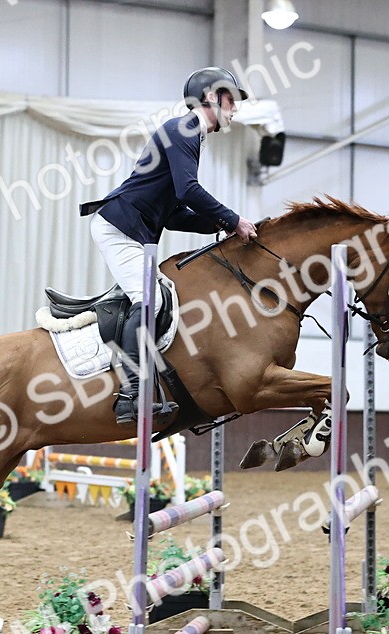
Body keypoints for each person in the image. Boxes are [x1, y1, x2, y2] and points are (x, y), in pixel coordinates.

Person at [81, 66, 259, 425]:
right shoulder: (183, 129)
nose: (234, 109)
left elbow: (176, 213)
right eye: (230, 100)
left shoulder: (188, 135)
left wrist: (217, 225)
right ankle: (130, 393)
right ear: (210, 97)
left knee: (160, 297)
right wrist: (232, 220)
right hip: (120, 227)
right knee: (149, 299)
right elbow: (188, 191)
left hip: (134, 229)